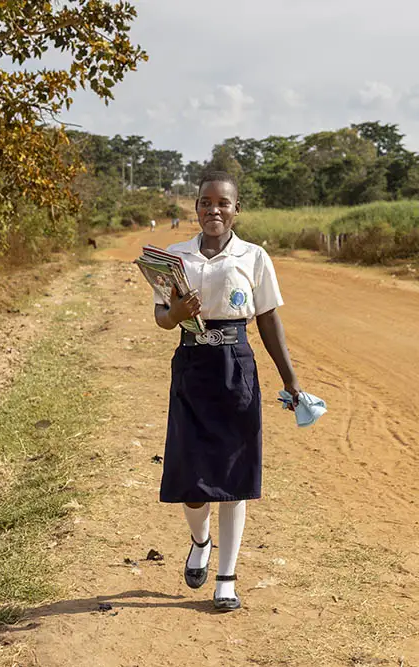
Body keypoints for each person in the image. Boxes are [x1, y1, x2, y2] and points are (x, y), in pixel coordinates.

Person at [152, 171, 301, 612]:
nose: (212, 210)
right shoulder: (175, 257)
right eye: (204, 202)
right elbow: (162, 316)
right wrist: (175, 312)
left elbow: (269, 319)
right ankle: (200, 540)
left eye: (223, 203)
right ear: (195, 207)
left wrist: (289, 377)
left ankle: (227, 577)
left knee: (235, 478)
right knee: (192, 480)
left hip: (236, 368)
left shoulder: (253, 257)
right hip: (192, 367)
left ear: (237, 209)